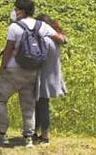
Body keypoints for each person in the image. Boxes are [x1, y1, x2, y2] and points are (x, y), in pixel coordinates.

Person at [0, 0, 67, 147]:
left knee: (0, 100)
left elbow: (8, 50)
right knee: (28, 106)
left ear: (22, 11)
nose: (14, 12)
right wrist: (62, 38)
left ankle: (2, 134)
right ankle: (28, 138)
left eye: (16, 9)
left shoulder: (15, 27)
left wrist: (2, 69)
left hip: (13, 71)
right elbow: (61, 39)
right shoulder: (42, 25)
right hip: (32, 72)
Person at [34, 14, 67, 146]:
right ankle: (37, 133)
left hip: (43, 77)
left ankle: (44, 136)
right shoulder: (56, 39)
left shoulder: (45, 40)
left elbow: (38, 58)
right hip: (52, 76)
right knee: (41, 105)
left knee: (41, 106)